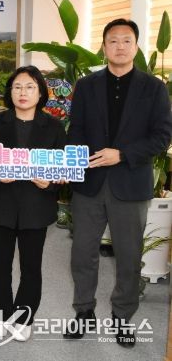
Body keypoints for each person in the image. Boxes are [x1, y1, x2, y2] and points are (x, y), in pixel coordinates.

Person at [64, 18, 172, 347]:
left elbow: (162, 136)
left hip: (131, 184)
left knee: (128, 255)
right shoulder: (87, 86)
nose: (120, 46)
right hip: (89, 182)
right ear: (104, 47)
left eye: (127, 40)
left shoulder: (153, 88)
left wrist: (122, 154)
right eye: (113, 40)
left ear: (136, 47)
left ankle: (122, 316)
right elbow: (76, 129)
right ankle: (84, 311)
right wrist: (76, 162)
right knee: (82, 253)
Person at [0, 66, 66, 341]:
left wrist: (49, 183)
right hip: (1, 206)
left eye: (30, 87)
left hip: (36, 207)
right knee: (0, 266)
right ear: (10, 92)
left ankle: (24, 318)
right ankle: (1, 315)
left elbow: (63, 168)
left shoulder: (54, 127)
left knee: (31, 267)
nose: (23, 92)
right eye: (17, 87)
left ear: (40, 93)